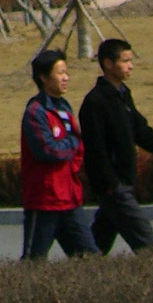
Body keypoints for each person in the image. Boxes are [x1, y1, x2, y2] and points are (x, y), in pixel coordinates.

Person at [79, 37, 153, 253]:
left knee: (96, 245)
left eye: (131, 61)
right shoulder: (95, 102)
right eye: (125, 61)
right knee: (146, 243)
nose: (131, 66)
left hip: (124, 180)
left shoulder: (122, 95)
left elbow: (140, 130)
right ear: (108, 64)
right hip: (114, 185)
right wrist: (110, 183)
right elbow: (95, 150)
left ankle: (79, 268)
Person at [19, 48, 96, 261]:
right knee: (34, 261)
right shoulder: (36, 112)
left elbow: (76, 151)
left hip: (69, 198)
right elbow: (49, 150)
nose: (66, 78)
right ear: (44, 77)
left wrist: (73, 146)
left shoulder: (65, 108)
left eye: (66, 72)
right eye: (60, 73)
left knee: (90, 258)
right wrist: (74, 141)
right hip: (44, 200)